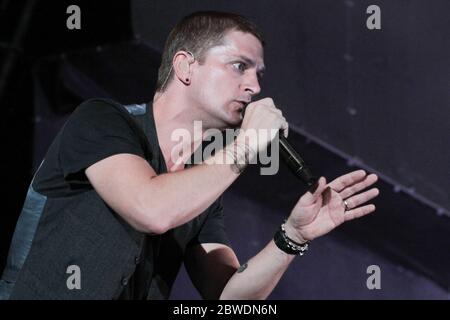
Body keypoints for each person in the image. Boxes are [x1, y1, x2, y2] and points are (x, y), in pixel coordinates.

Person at [0, 11, 379, 300]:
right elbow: (151, 209)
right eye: (239, 66)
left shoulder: (200, 186)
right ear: (185, 66)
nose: (255, 86)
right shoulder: (103, 120)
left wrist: (292, 236)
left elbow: (229, 299)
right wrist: (246, 146)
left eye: (258, 74)